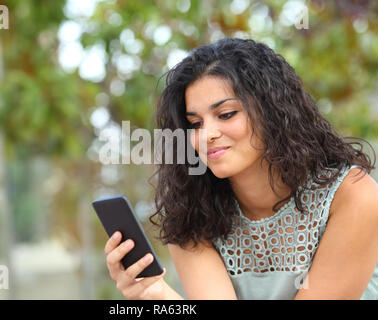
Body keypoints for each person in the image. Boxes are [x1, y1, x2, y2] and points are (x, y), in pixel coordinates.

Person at [104, 37, 378, 299]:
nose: (206, 134)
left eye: (226, 114)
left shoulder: (353, 196)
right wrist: (154, 293)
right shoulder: (191, 210)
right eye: (195, 124)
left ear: (274, 112)